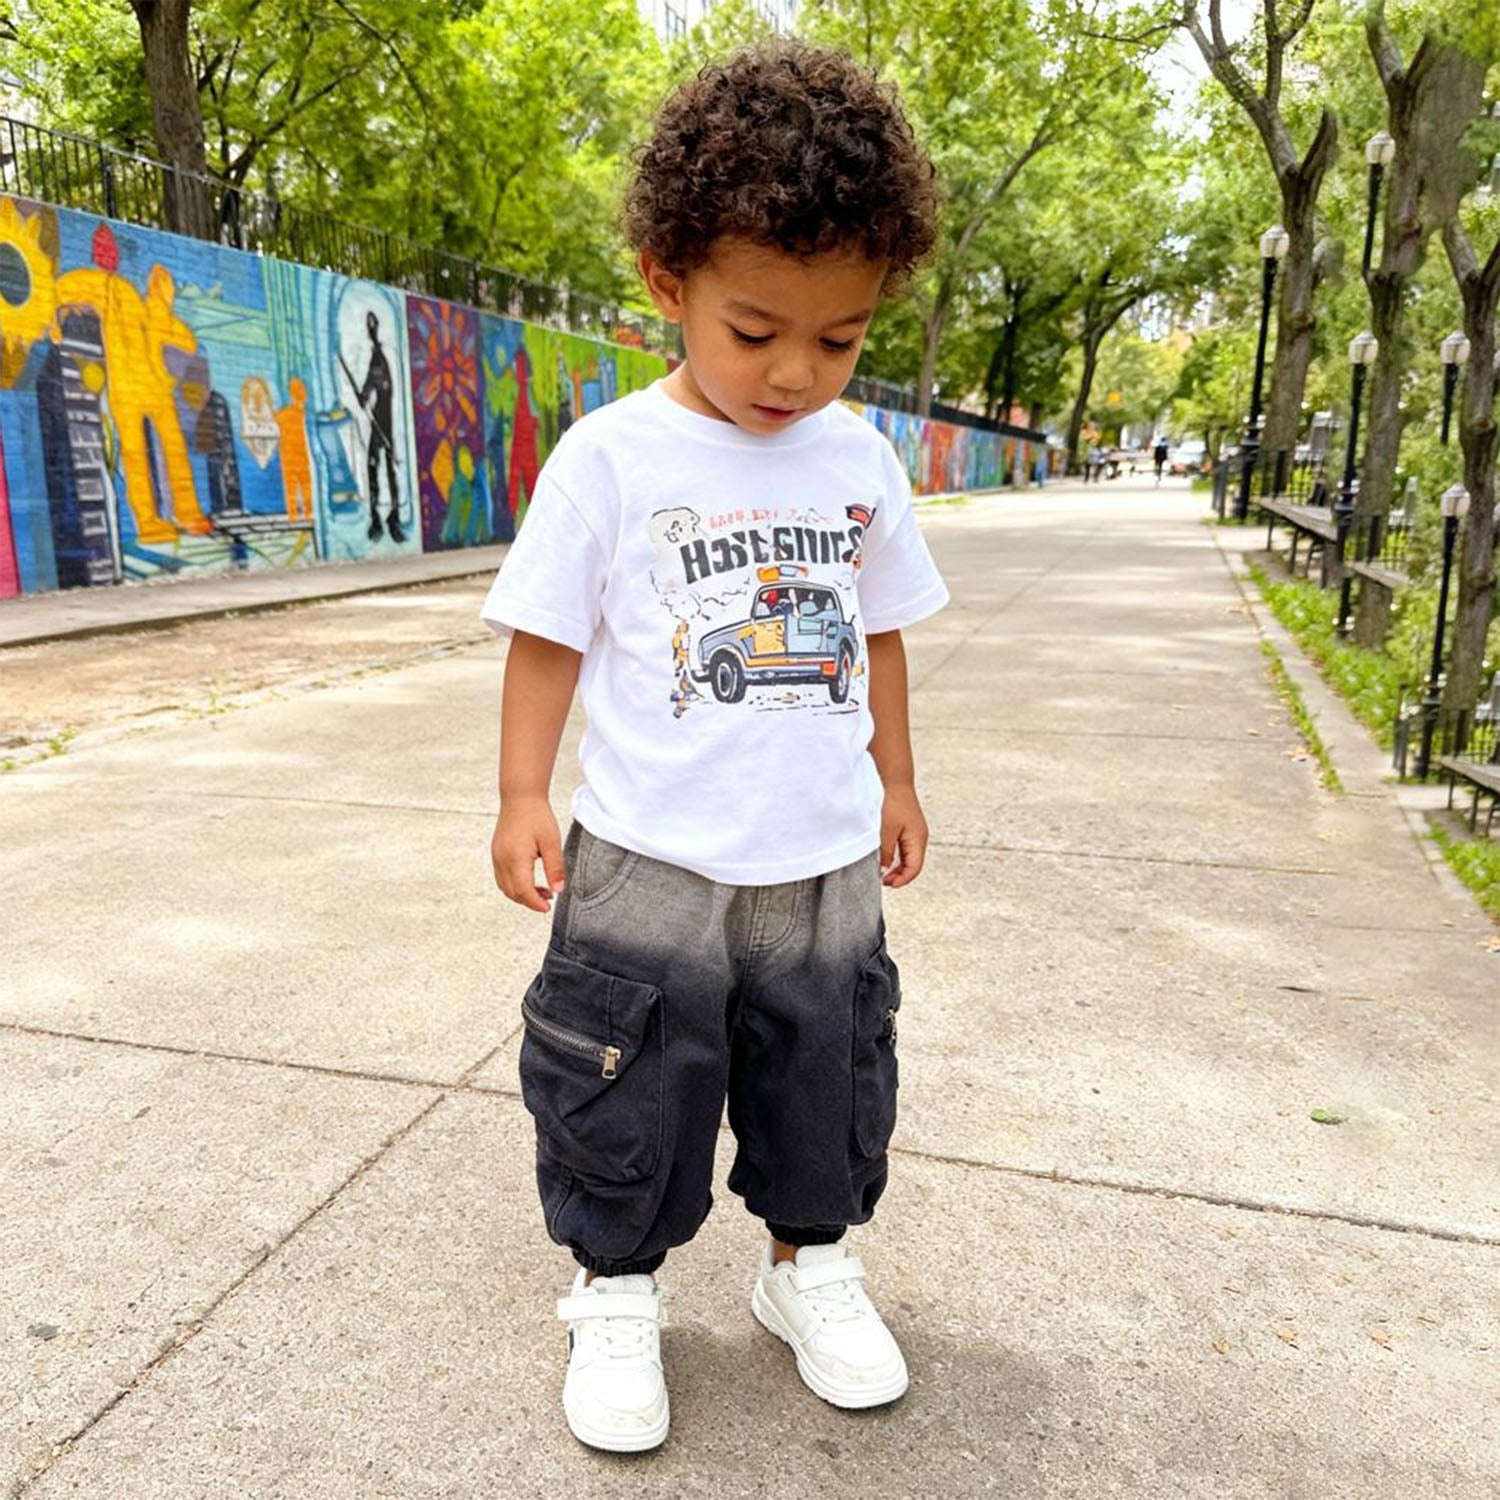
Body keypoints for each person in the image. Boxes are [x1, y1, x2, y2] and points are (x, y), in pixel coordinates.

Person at [480, 40, 947, 1453]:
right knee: (627, 1074)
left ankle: (809, 1266)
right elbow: (547, 638)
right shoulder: (612, 458)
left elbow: (879, 633)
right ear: (667, 282)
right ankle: (616, 1289)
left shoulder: (860, 460)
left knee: (829, 1071)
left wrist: (900, 779)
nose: (796, 372)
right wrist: (520, 793)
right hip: (648, 859)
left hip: (821, 859)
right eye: (755, 331)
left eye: (840, 339)